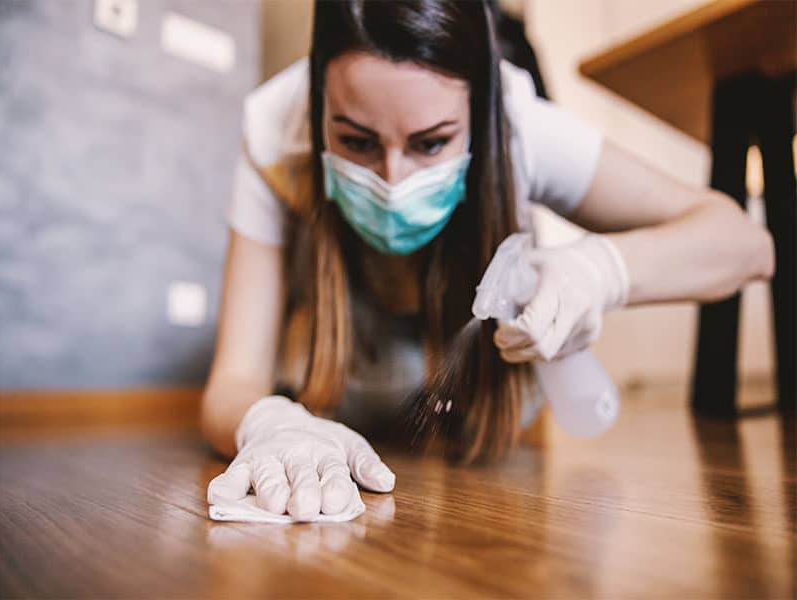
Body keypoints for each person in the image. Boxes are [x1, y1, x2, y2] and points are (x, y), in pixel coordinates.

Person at [202, 0, 774, 522]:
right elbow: (233, 379)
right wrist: (271, 424)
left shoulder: (522, 125)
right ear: (317, 100)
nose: (393, 184)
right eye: (356, 142)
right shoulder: (278, 132)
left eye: (431, 143)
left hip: (482, 442)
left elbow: (747, 246)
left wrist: (601, 269)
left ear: (481, 113)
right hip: (331, 401)